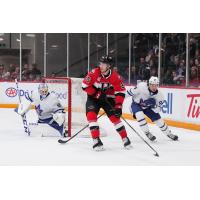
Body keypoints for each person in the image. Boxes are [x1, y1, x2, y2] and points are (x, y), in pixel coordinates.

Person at [82, 55, 132, 151]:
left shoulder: (115, 76)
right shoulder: (94, 73)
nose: (100, 66)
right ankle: (96, 140)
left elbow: (120, 92)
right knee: (91, 116)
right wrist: (97, 94)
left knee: (115, 118)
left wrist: (118, 106)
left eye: (103, 64)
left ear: (109, 66)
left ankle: (125, 138)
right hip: (93, 98)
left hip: (107, 99)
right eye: (100, 63)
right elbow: (84, 86)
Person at [127, 76, 178, 141]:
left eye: (156, 85)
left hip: (148, 107)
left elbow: (158, 109)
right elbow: (129, 92)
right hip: (136, 104)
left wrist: (153, 106)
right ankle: (147, 133)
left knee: (159, 120)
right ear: (149, 84)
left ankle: (168, 133)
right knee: (140, 115)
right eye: (152, 85)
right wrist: (118, 101)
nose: (154, 87)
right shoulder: (141, 87)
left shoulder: (160, 96)